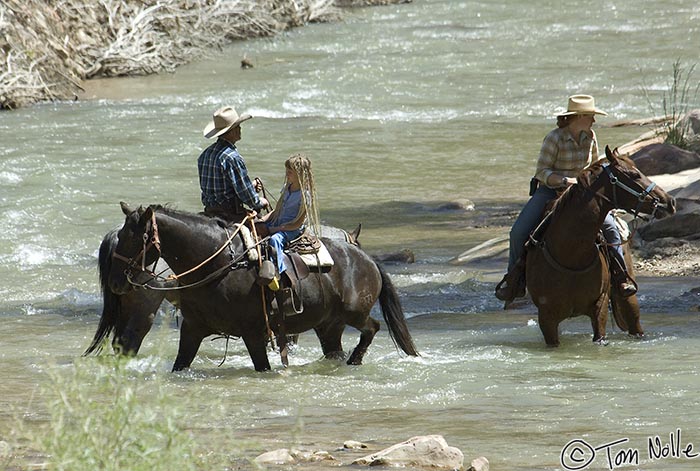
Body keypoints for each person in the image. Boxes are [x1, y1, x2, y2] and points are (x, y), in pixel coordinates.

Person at [495, 94, 637, 303]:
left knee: (611, 230)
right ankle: (514, 281)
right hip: (550, 191)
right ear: (578, 116)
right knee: (518, 232)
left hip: (582, 193)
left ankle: (620, 277)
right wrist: (566, 181)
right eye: (590, 116)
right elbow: (542, 172)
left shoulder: (591, 136)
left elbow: (594, 167)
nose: (594, 121)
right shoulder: (554, 138)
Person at [256, 153, 321, 288]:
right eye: (286, 171)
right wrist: (262, 220)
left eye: (290, 172)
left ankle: (279, 274)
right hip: (278, 223)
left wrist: (277, 229)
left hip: (292, 229)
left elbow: (297, 223)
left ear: (300, 174)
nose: (287, 174)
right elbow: (276, 210)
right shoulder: (287, 187)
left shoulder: (305, 195)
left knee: (275, 240)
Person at [198, 106, 269, 222]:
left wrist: (251, 185)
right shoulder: (233, 158)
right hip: (230, 213)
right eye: (237, 126)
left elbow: (220, 189)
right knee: (267, 227)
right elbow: (245, 194)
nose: (240, 129)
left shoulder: (205, 155)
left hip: (210, 210)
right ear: (230, 132)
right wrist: (260, 202)